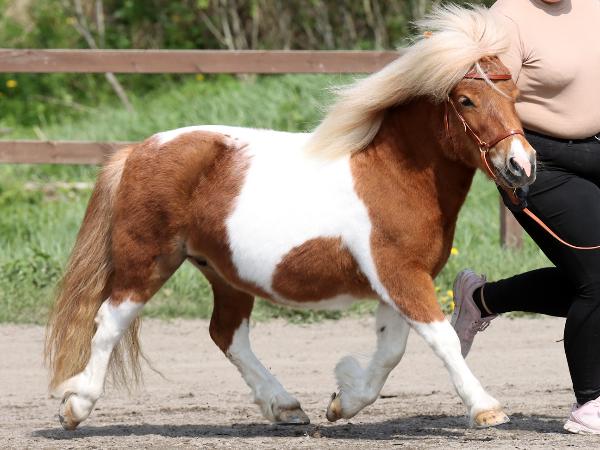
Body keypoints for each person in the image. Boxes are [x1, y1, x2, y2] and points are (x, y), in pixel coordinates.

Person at [451, 0, 600, 435]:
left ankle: (482, 300)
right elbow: (484, 101)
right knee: (597, 275)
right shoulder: (507, 18)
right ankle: (590, 404)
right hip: (537, 161)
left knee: (587, 280)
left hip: (596, 148)